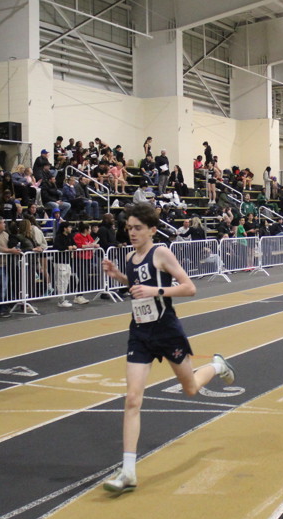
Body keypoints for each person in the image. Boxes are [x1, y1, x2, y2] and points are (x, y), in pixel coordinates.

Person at [99, 203, 236, 494]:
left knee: (190, 388)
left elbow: (189, 287)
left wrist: (156, 291)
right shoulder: (130, 257)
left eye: (138, 228)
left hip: (166, 331)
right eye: (129, 228)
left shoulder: (161, 253)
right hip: (140, 332)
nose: (132, 233)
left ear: (152, 230)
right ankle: (128, 471)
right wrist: (119, 276)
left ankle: (217, 365)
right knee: (132, 399)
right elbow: (137, 285)